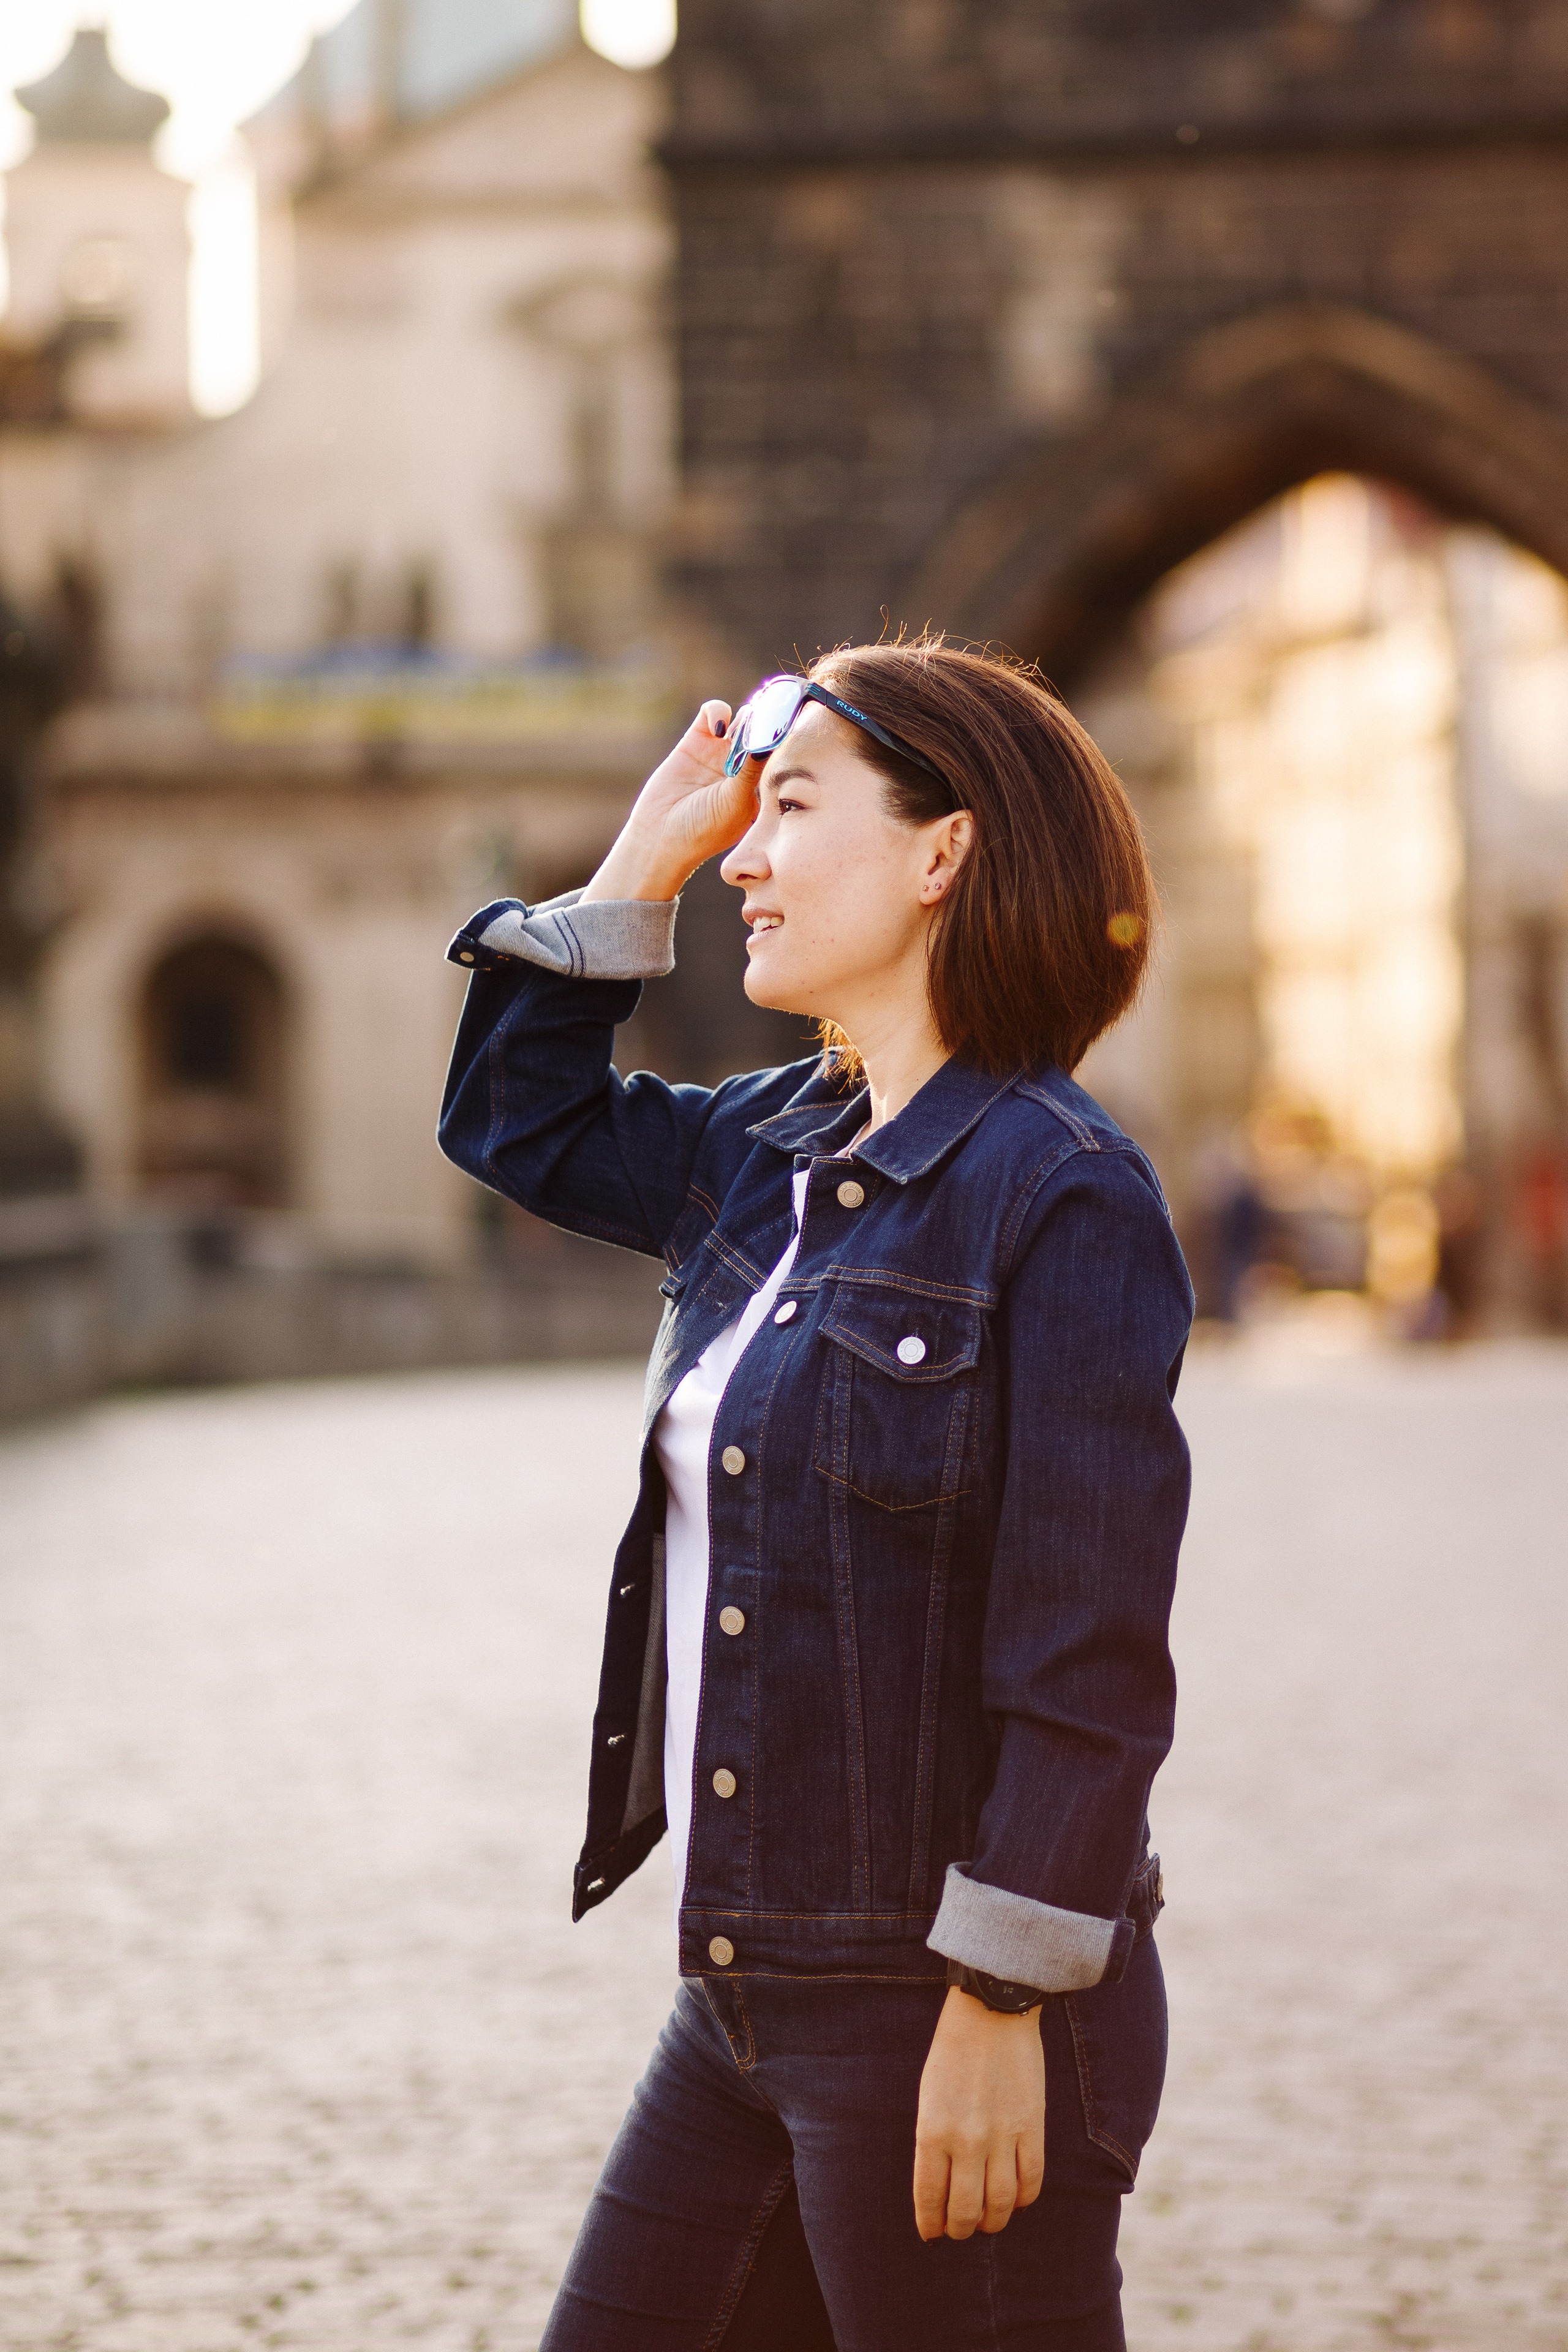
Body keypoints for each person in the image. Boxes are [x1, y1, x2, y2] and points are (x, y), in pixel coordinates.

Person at [437, 639, 1194, 2351]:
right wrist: (641, 872)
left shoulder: (1060, 1194)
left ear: (946, 854)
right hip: (744, 1984)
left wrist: (1004, 1998)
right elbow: (515, 1121)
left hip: (944, 2005)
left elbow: (1087, 1654)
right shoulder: (768, 1150)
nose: (747, 860)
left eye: (788, 813)